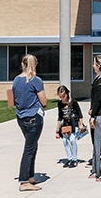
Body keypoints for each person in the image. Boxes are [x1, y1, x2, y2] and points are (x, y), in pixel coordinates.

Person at [13, 54, 47, 191]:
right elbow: (44, 101)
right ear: (35, 65)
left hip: (21, 118)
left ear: (22, 64)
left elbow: (12, 99)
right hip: (34, 117)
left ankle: (30, 176)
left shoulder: (16, 80)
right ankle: (24, 181)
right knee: (29, 149)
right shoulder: (36, 80)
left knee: (32, 146)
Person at [55, 85, 85, 168]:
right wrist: (58, 127)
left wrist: (81, 124)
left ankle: (74, 159)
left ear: (67, 93)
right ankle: (69, 158)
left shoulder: (73, 102)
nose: (62, 98)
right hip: (65, 125)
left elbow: (79, 114)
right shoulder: (60, 103)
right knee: (65, 141)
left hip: (74, 123)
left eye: (63, 96)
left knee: (72, 139)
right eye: (60, 97)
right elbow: (60, 116)